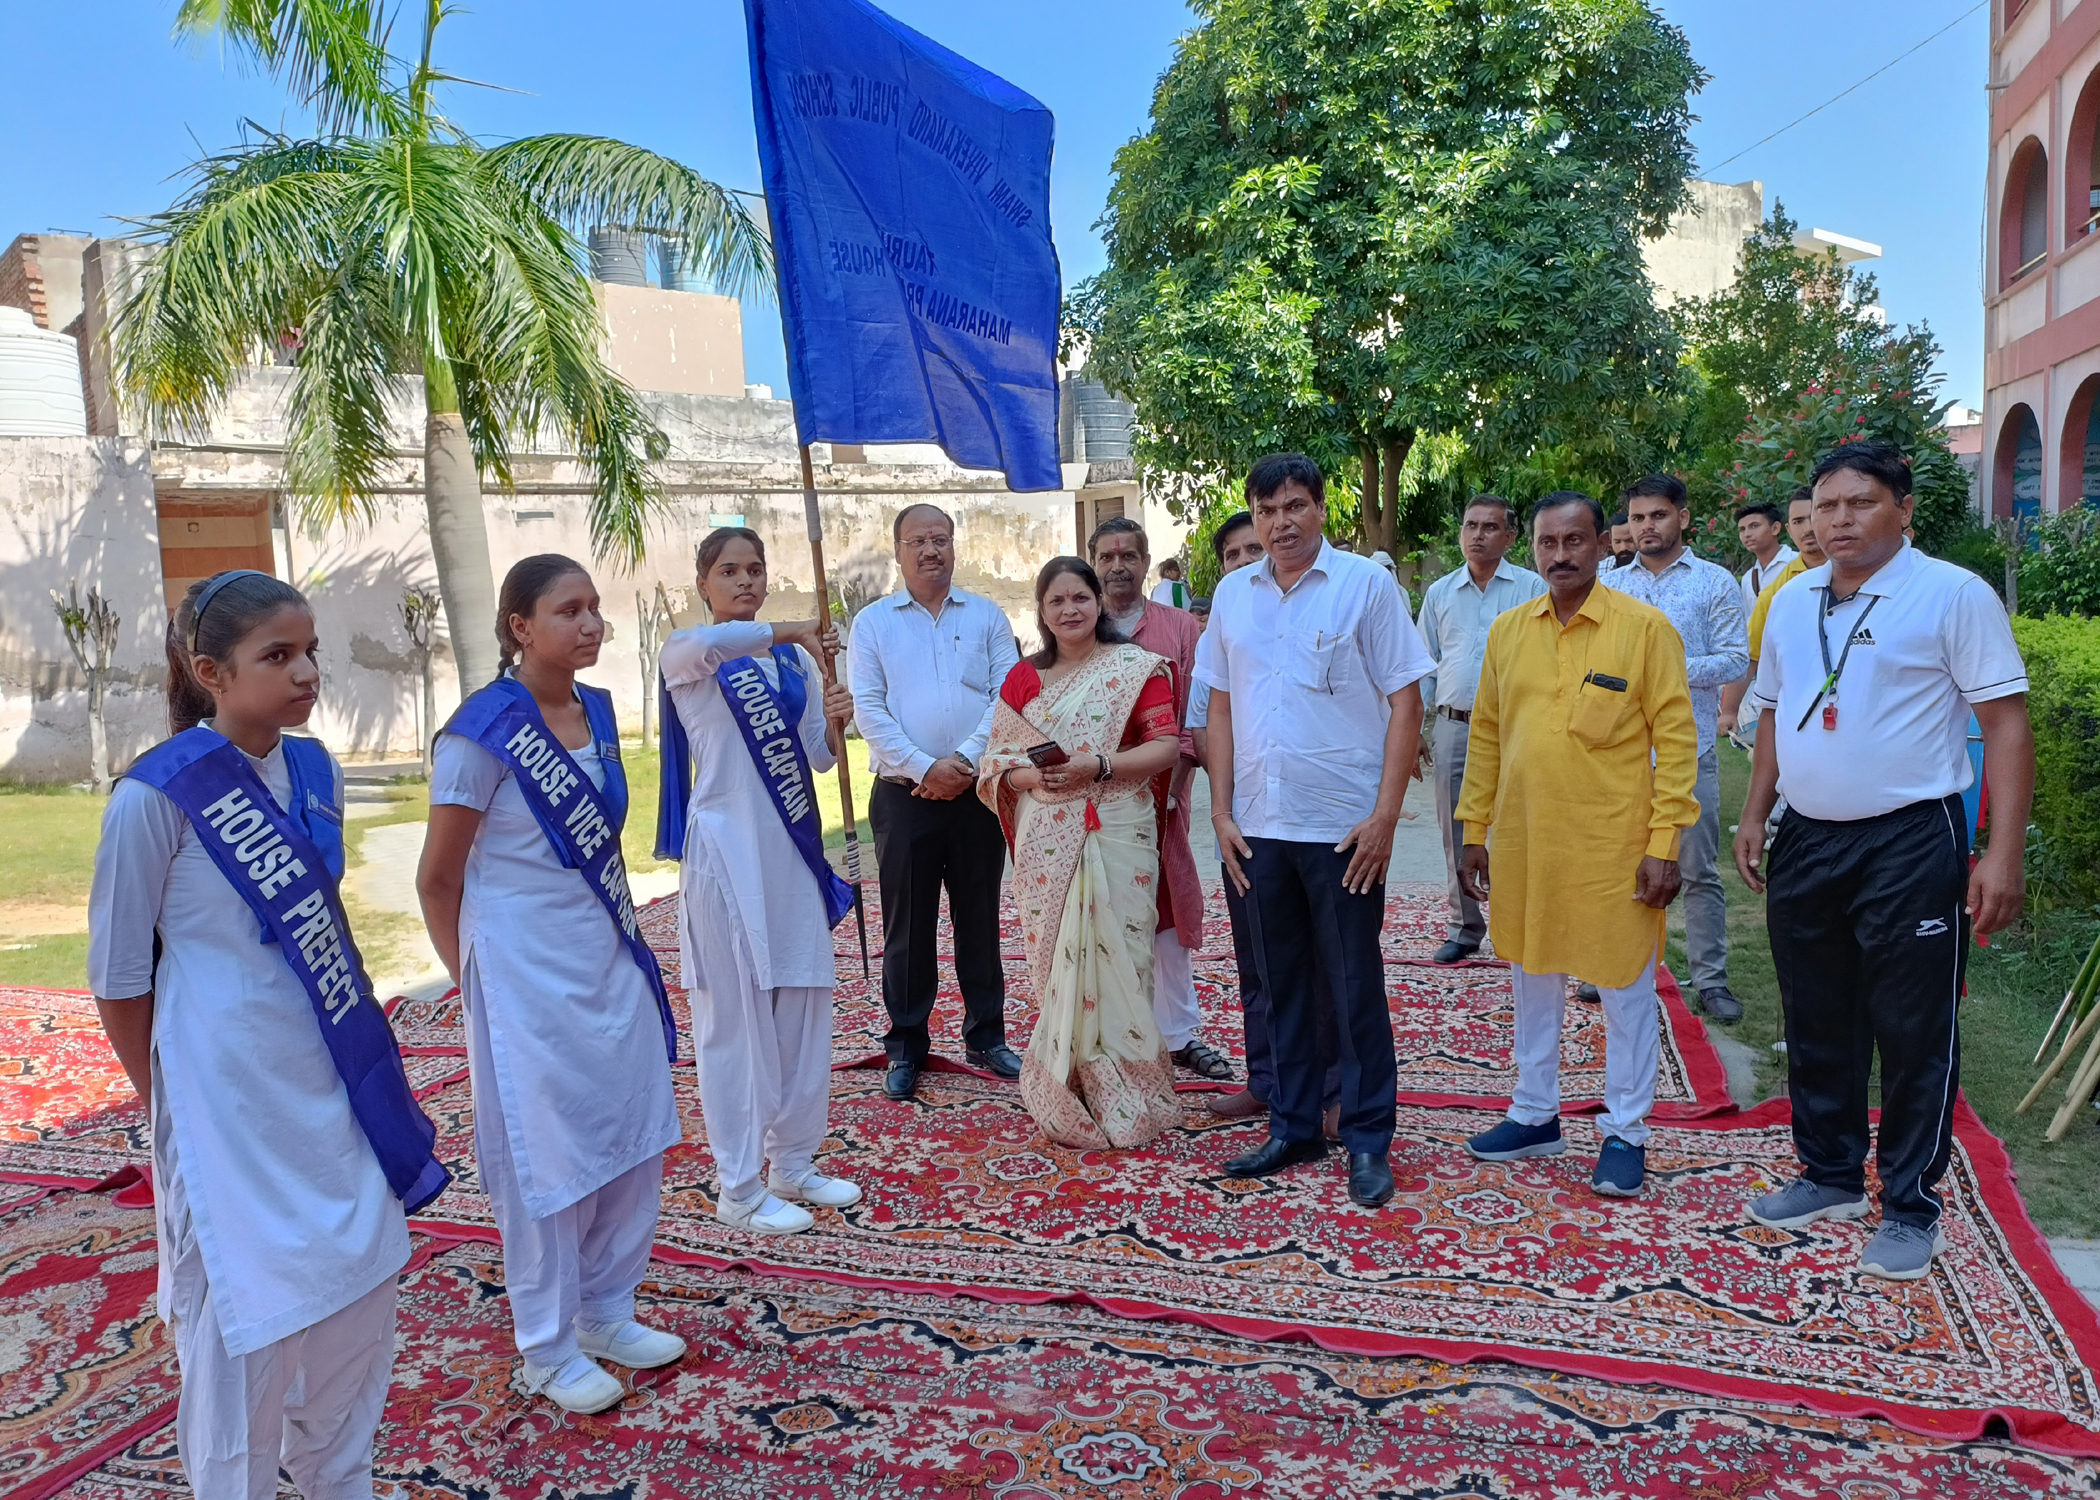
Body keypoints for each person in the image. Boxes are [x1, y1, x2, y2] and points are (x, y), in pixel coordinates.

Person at [89, 570, 447, 1499]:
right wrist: (168, 1099)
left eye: (310, 652)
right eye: (277, 657)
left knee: (359, 1283)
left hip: (327, 1071)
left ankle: (337, 1475)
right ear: (210, 671)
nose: (305, 674)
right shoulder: (156, 797)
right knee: (243, 1315)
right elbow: (121, 980)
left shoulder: (317, 769)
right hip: (226, 1096)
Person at [1735, 443, 2034, 1281]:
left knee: (1911, 1026)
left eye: (1860, 503)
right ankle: (1829, 1173)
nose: (1839, 521)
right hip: (1809, 834)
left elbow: (2006, 725)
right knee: (1816, 1014)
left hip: (1910, 836)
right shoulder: (1793, 602)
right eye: (1827, 506)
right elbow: (1773, 714)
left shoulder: (1950, 595)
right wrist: (1757, 811)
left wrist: (2000, 853)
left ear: (1903, 508)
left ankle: (1910, 1204)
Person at [416, 556, 683, 1415]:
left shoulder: (598, 711)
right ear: (519, 627)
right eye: (570, 610)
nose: (592, 623)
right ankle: (547, 1344)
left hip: (605, 952)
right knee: (548, 1161)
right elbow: (438, 880)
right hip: (525, 975)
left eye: (596, 607)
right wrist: (479, 986)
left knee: (633, 1134)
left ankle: (607, 1310)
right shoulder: (479, 732)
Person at [1198, 454, 1434, 1209]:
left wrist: (1386, 818)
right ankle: (1294, 1125)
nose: (1281, 524)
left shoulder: (1365, 585)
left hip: (1343, 830)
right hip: (1258, 829)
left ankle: (1367, 1139)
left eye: (1295, 506)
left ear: (1322, 508)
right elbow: (1222, 709)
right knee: (1279, 985)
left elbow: (1405, 702)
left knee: (1352, 985)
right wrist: (1221, 810)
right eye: (1266, 511)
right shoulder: (1234, 595)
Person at [1456, 493, 1699, 1198]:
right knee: (1530, 974)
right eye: (1547, 543)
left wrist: (1665, 843)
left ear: (1602, 546)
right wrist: (1475, 830)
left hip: (1614, 844)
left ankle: (1627, 1130)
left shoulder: (1645, 630)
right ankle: (1534, 1113)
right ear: (1531, 548)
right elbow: (1489, 735)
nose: (1560, 555)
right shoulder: (1509, 631)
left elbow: (1677, 745)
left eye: (1575, 541)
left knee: (1623, 985)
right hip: (1528, 840)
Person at [657, 528, 862, 1237]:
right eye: (728, 571)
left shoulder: (793, 672)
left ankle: (793, 1161)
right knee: (734, 1025)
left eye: (754, 570)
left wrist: (838, 724)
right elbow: (700, 649)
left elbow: (818, 761)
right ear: (702, 584)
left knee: (805, 1006)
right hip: (724, 856)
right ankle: (738, 1185)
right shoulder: (692, 656)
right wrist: (798, 628)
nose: (744, 581)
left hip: (791, 856)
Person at [979, 556, 1186, 1147]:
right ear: (1041, 613)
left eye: (1080, 598)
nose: (1069, 610)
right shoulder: (1023, 680)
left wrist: (1098, 765)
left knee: (1122, 953)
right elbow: (996, 765)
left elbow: (1167, 748)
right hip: (1049, 835)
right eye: (1055, 602)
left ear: (1099, 602)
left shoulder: (1135, 668)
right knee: (1059, 962)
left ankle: (1130, 1084)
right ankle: (1067, 1079)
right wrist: (1031, 782)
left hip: (1118, 825)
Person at [848, 504, 1023, 1099]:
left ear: (954, 546)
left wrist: (964, 765)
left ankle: (987, 1035)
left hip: (976, 794)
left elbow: (1010, 695)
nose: (930, 551)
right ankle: (906, 1044)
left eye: (940, 539)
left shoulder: (987, 616)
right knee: (909, 925)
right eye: (917, 541)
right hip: (904, 796)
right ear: (897, 550)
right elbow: (869, 711)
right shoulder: (872, 625)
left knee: (980, 918)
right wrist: (926, 768)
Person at [1191, 511, 1341, 1125]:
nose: (1253, 557)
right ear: (1225, 565)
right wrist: (1223, 804)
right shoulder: (1228, 619)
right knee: (1258, 960)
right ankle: (1267, 1079)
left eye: (1260, 547)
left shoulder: (1333, 601)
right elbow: (1206, 720)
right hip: (1248, 817)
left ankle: (1330, 1093)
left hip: (1319, 814)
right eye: (1237, 552)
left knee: (1323, 963)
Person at [1600, 475, 1750, 1024]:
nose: (1646, 527)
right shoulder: (1609, 585)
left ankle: (1710, 979)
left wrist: (1664, 672)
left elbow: (1736, 659)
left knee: (1696, 870)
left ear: (1682, 518)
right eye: (1637, 518)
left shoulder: (1714, 582)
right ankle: (1614, 967)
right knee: (1617, 866)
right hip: (1618, 755)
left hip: (1688, 754)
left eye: (1658, 516)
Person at [1089, 515, 1230, 1080]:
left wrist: (1180, 788)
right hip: (1093, 802)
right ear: (1093, 562)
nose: (1118, 565)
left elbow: (1195, 720)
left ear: (1147, 563)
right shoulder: (1079, 624)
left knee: (1167, 915)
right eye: (1107, 556)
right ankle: (1111, 1035)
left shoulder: (1179, 630)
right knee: (1099, 914)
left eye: (1130, 555)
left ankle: (1178, 1034)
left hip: (1161, 798)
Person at [1415, 494, 1546, 965]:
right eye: (1471, 525)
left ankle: (1519, 927)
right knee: (1455, 828)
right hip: (1453, 724)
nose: (1477, 534)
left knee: (1517, 826)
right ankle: (1465, 926)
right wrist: (1413, 728)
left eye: (1490, 527)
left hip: (1516, 729)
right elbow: (1423, 665)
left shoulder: (1532, 589)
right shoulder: (1440, 593)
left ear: (1510, 537)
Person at [1720, 487, 1821, 739]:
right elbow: (1752, 650)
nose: (1807, 528)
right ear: (1789, 529)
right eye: (1798, 521)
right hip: (1792, 692)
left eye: (1813, 517)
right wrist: (1729, 709)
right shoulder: (1777, 589)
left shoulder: (1863, 573)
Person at [1735, 500, 1796, 613]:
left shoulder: (1797, 563)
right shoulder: (1748, 579)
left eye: (1754, 526)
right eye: (1742, 529)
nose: (1747, 534)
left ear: (1775, 528)